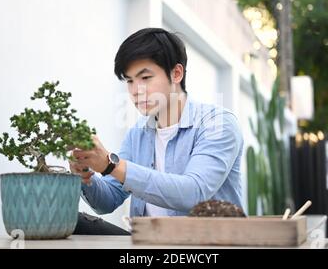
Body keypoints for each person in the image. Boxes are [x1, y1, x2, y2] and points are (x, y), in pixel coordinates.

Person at [70, 27, 244, 235]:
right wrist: (85, 175)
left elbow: (194, 192)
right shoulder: (138, 134)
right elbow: (108, 201)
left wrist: (111, 165)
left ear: (176, 73)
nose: (136, 91)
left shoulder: (218, 124)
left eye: (145, 78)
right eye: (130, 81)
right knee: (76, 223)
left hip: (206, 246)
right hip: (147, 244)